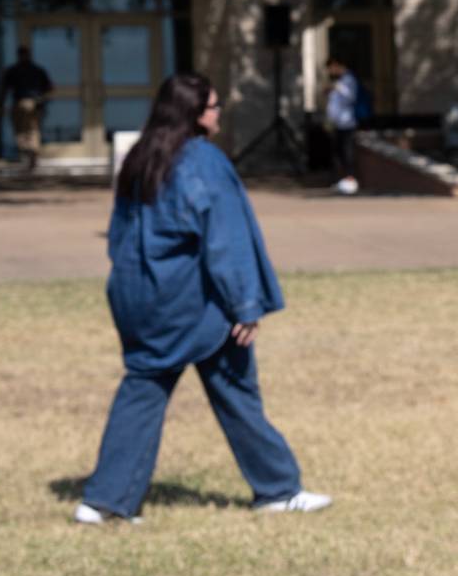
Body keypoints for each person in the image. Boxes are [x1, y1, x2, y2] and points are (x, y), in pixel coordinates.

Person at [78, 73, 330, 524]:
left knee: (145, 388)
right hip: (193, 304)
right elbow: (225, 240)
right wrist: (245, 306)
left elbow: (120, 237)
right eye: (214, 107)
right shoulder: (203, 162)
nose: (219, 114)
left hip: (140, 297)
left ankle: (104, 501)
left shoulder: (141, 157)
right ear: (194, 114)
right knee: (236, 390)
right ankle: (277, 489)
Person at [0, 46, 53, 172]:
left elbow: (5, 89)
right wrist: (41, 99)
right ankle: (31, 155)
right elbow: (49, 87)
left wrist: (1, 103)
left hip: (22, 102)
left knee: (22, 131)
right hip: (34, 103)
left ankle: (27, 155)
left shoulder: (14, 70)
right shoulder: (37, 70)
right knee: (32, 130)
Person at [324, 57, 362, 195]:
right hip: (336, 123)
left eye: (332, 67)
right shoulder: (337, 81)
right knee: (337, 153)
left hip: (347, 122)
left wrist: (337, 88)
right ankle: (339, 180)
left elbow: (350, 97)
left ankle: (350, 180)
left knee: (347, 152)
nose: (330, 71)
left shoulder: (348, 80)